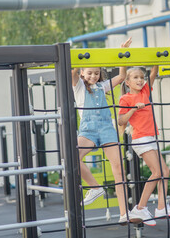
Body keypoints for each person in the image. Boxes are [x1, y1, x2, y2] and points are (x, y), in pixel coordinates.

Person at [72, 37, 142, 224]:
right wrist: (77, 58)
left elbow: (120, 77)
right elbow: (73, 72)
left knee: (118, 169)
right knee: (73, 156)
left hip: (106, 129)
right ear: (82, 74)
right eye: (89, 73)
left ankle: (123, 213)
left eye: (96, 73)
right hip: (88, 130)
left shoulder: (102, 87)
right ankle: (95, 188)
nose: (93, 76)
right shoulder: (78, 87)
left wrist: (121, 52)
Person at [118, 66, 170, 226]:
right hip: (140, 138)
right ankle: (140, 208)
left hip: (151, 137)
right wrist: (134, 109)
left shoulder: (145, 92)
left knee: (164, 172)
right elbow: (121, 121)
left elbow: (153, 73)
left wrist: (155, 62)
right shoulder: (125, 99)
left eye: (142, 77)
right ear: (127, 82)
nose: (140, 80)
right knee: (157, 172)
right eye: (135, 77)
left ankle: (161, 207)